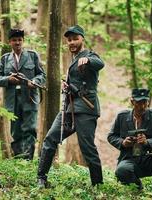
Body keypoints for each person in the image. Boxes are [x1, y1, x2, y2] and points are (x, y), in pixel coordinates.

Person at [37, 25, 104, 188]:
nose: (72, 42)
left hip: (86, 110)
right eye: (69, 40)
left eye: (75, 38)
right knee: (50, 139)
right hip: (68, 109)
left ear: (82, 39)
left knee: (87, 149)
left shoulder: (89, 55)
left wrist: (88, 60)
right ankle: (41, 179)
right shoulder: (72, 60)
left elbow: (100, 63)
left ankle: (98, 185)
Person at [0, 28, 46, 160]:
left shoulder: (32, 55)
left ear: (23, 41)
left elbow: (42, 74)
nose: (17, 43)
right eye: (14, 40)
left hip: (29, 98)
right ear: (10, 42)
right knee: (15, 132)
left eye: (20, 40)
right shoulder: (5, 59)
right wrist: (8, 79)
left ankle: (27, 161)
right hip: (13, 100)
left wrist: (34, 81)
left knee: (30, 129)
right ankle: (18, 161)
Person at [107, 88, 152, 189]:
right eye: (138, 102)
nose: (142, 106)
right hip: (130, 158)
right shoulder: (122, 116)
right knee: (121, 171)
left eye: (144, 102)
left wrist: (148, 142)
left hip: (151, 158)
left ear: (148, 102)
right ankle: (139, 189)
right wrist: (123, 143)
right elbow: (111, 136)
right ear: (132, 102)